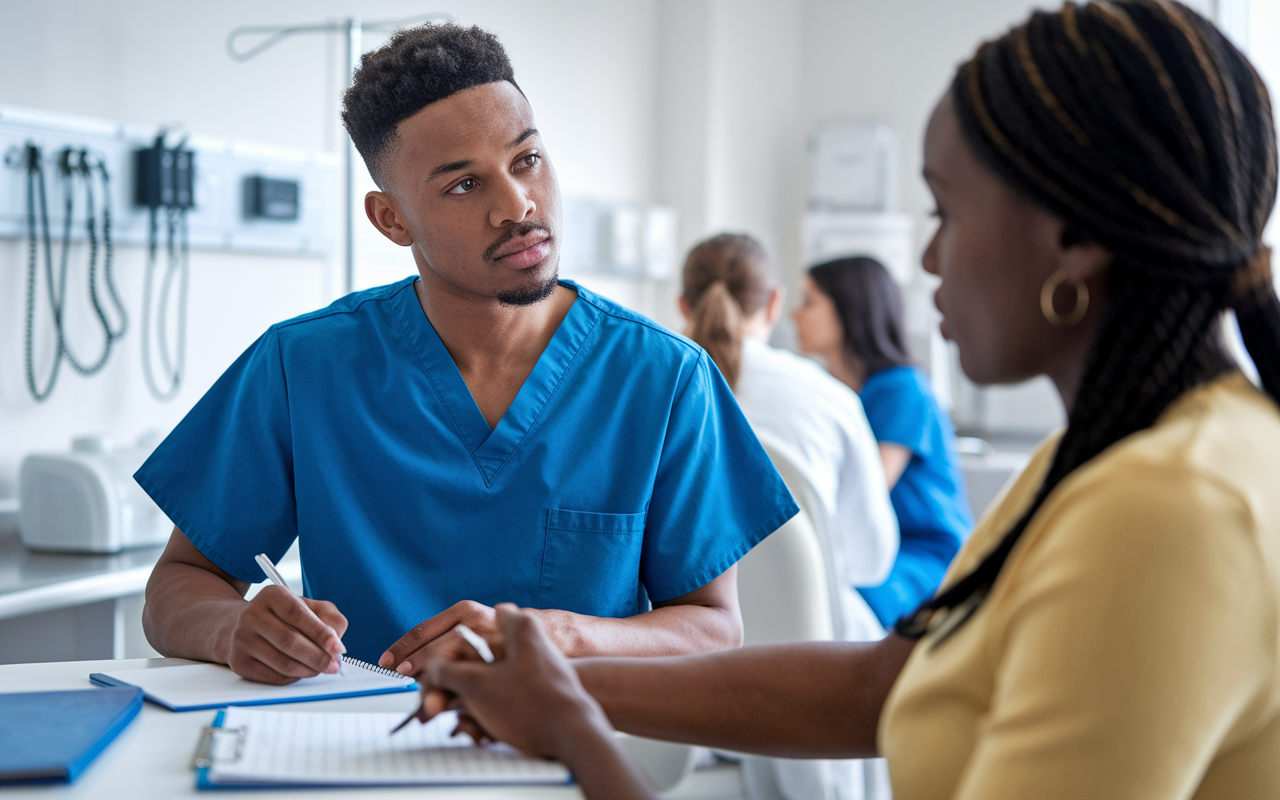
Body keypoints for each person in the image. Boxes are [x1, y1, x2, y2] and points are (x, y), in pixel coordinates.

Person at [413, 3, 1280, 798]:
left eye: (945, 213)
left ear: (1077, 240)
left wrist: (573, 727)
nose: (930, 261)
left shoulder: (1165, 510)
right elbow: (881, 685)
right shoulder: (1126, 448)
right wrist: (559, 683)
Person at [137, 23, 797, 686]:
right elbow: (178, 587)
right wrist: (232, 629)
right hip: (353, 754)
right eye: (463, 186)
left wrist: (557, 634)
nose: (517, 206)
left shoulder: (664, 381)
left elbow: (713, 625)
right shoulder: (301, 368)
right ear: (391, 220)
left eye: (526, 160)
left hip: (568, 758)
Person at [680, 234, 898, 799]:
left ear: (683, 305)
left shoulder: (643, 390)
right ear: (773, 304)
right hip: (815, 688)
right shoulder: (829, 399)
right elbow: (871, 562)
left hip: (679, 694)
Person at [794, 256, 973, 628]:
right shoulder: (832, 391)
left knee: (837, 601)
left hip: (923, 555)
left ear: (849, 309)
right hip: (870, 549)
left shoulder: (901, 389)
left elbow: (866, 492)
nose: (795, 314)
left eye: (809, 301)